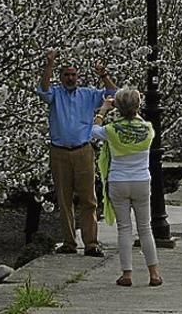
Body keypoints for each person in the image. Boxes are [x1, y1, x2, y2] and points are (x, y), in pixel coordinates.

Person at [36, 49, 115, 257]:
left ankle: (91, 243)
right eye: (66, 75)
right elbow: (43, 91)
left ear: (77, 76)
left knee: (88, 199)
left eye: (73, 75)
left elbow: (114, 94)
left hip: (83, 150)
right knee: (64, 198)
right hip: (60, 151)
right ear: (61, 77)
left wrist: (103, 75)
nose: (70, 78)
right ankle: (69, 242)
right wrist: (49, 65)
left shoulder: (88, 94)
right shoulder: (56, 94)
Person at [92, 87, 163, 288]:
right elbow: (139, 122)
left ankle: (127, 274)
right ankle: (154, 273)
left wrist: (103, 110)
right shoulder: (148, 129)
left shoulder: (112, 130)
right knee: (145, 228)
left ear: (118, 107)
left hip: (119, 181)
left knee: (124, 228)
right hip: (141, 180)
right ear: (138, 106)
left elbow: (93, 130)